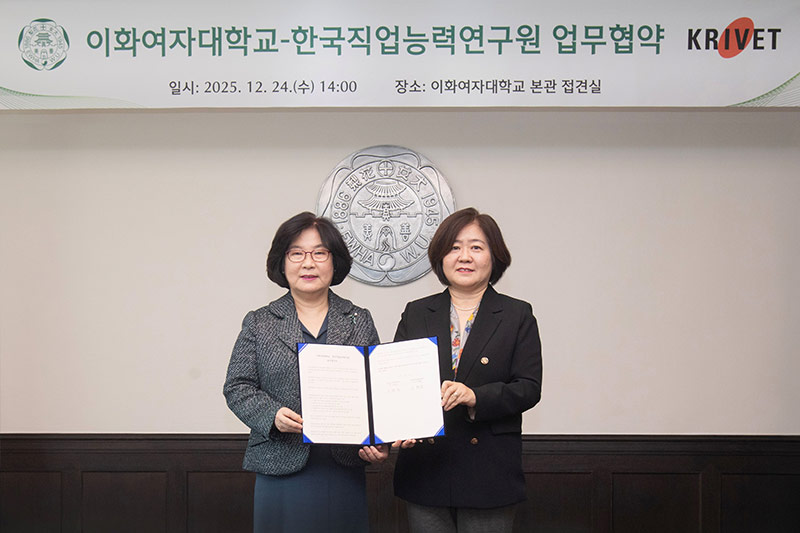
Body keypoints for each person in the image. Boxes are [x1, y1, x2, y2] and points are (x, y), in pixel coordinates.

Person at [223, 212, 388, 533]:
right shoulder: (260, 321)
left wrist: (381, 441)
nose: (308, 263)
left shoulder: (358, 319)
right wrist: (272, 416)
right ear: (282, 264)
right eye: (296, 253)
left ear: (334, 262)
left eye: (319, 253)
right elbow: (237, 386)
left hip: (343, 467)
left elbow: (377, 391)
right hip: (280, 464)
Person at [392, 207, 543, 532]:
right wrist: (395, 426)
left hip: (488, 472)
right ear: (440, 257)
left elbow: (529, 387)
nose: (464, 256)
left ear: (495, 257)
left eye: (476, 247)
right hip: (426, 468)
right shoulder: (417, 313)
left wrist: (475, 396)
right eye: (454, 247)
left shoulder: (517, 314)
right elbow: (396, 383)